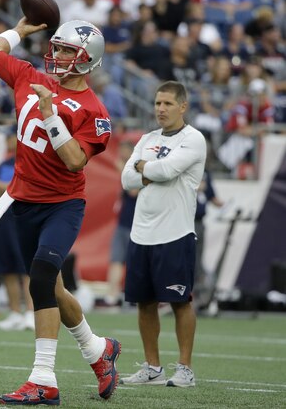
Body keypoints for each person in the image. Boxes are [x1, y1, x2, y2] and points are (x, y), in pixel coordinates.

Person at [0, 18, 121, 405]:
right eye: (56, 47)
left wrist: (50, 115)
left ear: (88, 60)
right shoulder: (29, 77)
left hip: (62, 204)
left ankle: (43, 378)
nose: (56, 55)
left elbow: (75, 160)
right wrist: (19, 31)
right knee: (53, 288)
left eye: (66, 51)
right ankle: (98, 351)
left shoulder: (94, 109)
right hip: (24, 202)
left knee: (41, 277)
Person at [120, 81, 207, 387]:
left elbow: (166, 171)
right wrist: (147, 170)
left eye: (168, 104)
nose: (160, 109)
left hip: (176, 233)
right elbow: (126, 179)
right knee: (144, 302)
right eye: (158, 103)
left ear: (183, 106)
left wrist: (145, 168)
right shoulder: (146, 138)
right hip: (142, 233)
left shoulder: (194, 139)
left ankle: (185, 369)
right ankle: (152, 368)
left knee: (180, 302)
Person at [0, 125, 34, 331]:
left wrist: (3, 186)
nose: (7, 140)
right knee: (7, 268)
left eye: (10, 136)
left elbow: (23, 189)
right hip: (2, 219)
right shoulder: (4, 164)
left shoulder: (31, 161)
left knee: (26, 269)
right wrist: (8, 186)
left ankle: (31, 314)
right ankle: (15, 313)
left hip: (22, 219)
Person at [104, 139, 138, 308]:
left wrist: (122, 170)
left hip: (136, 225)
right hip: (123, 222)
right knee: (116, 258)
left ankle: (135, 295)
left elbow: (134, 191)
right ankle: (112, 294)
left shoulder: (138, 169)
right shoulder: (127, 170)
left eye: (125, 150)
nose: (121, 155)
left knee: (136, 261)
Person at [193, 170, 223, 309]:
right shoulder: (184, 167)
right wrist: (196, 186)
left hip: (200, 221)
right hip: (186, 221)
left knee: (198, 259)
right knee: (186, 257)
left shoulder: (205, 173)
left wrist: (225, 205)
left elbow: (212, 196)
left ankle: (196, 293)